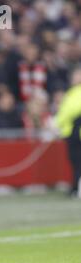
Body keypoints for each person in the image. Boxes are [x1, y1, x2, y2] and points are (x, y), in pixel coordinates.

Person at [55, 67, 81, 198]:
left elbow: (68, 111)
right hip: (72, 132)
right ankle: (75, 187)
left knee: (77, 162)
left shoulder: (75, 92)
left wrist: (57, 123)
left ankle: (76, 188)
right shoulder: (72, 92)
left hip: (75, 133)